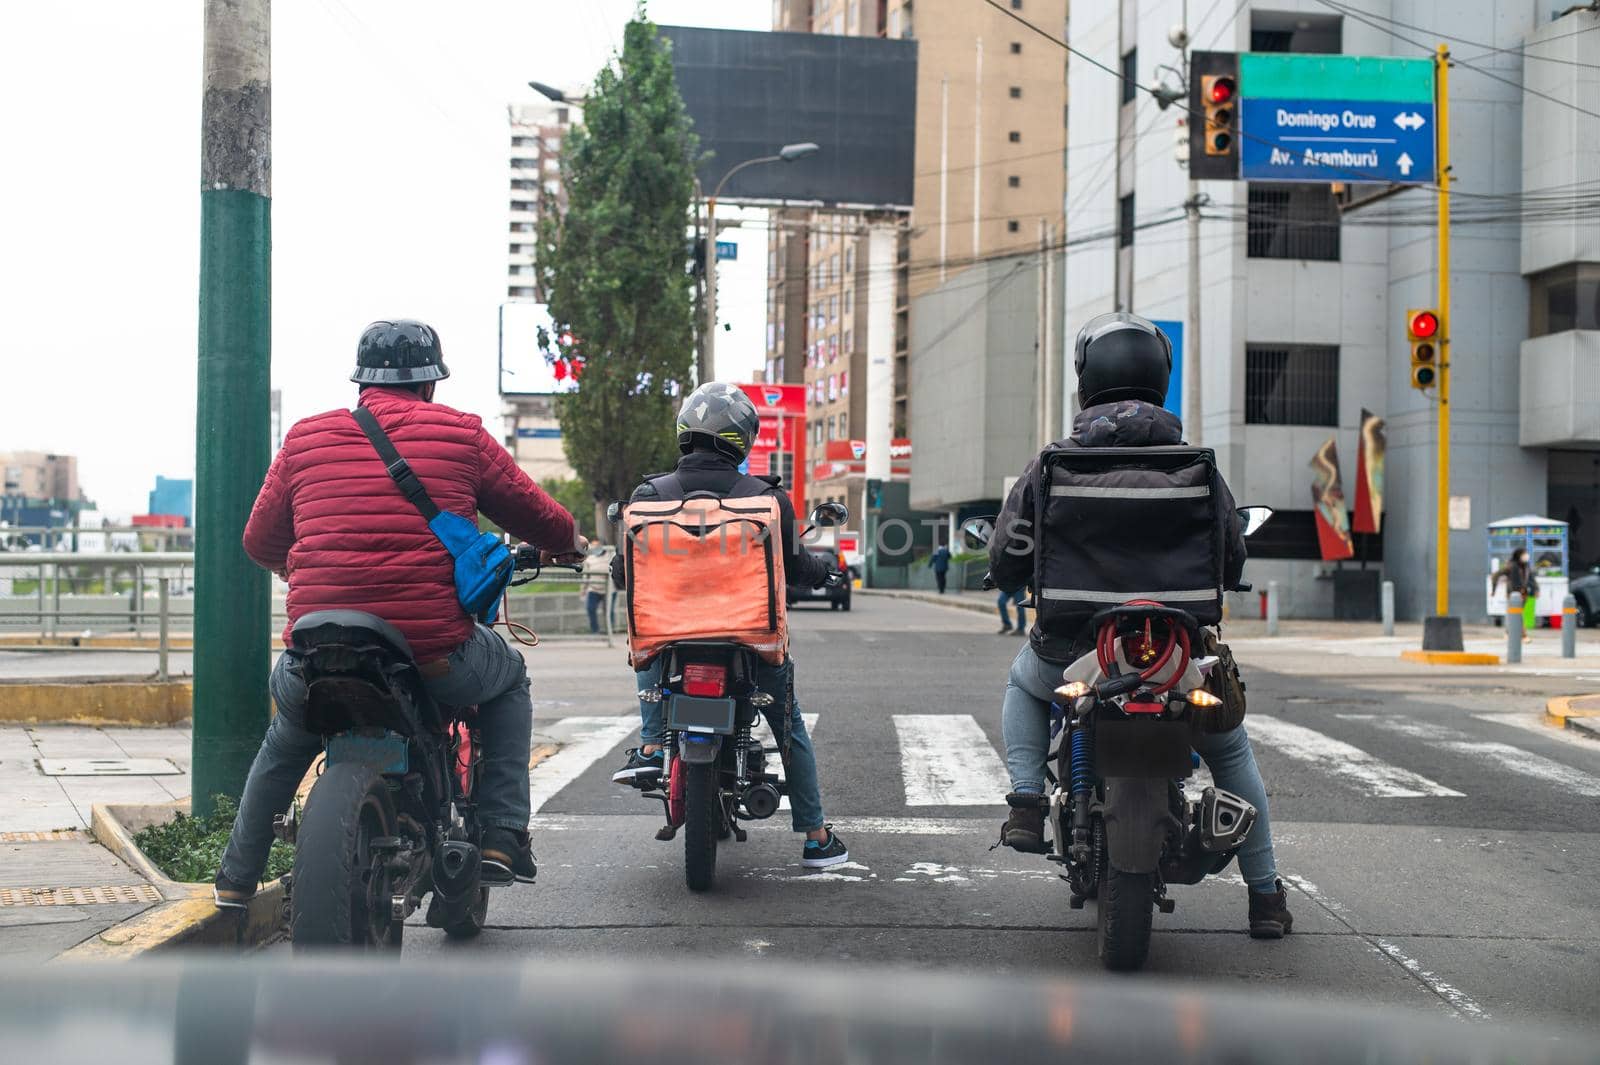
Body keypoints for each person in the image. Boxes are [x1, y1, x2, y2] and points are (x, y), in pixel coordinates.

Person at [214, 320, 585, 909]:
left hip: (319, 649)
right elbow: (540, 517)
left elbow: (259, 540)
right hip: (432, 652)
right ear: (430, 385)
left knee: (288, 737)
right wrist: (570, 541)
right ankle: (501, 837)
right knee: (508, 680)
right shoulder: (462, 436)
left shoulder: (306, 439)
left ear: (362, 382)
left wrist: (313, 567)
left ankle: (236, 880)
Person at [987, 311, 1293, 939]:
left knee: (1025, 684)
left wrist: (1011, 575)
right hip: (1174, 653)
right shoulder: (1199, 467)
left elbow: (1010, 550)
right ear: (1160, 380)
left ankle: (1024, 798)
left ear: (1085, 381)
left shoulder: (1050, 466)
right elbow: (1231, 553)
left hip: (1074, 650)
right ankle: (1265, 898)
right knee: (1230, 752)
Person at [608, 382, 849, 869]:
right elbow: (798, 570)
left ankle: (654, 746)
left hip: (670, 638)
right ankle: (815, 837)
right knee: (789, 726)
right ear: (742, 437)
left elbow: (623, 571)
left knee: (649, 649)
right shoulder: (766, 498)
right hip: (749, 641)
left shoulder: (648, 495)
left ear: (684, 431)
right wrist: (826, 571)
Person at [1494, 547, 1539, 641]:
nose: (1526, 556)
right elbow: (1496, 575)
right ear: (1519, 555)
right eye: (1524, 554)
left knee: (1516, 614)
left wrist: (1536, 589)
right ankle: (1523, 635)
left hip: (1523, 594)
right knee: (1516, 614)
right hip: (1512, 595)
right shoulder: (1511, 565)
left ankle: (1508, 633)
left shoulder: (1526, 566)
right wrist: (1493, 590)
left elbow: (1531, 578)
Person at [580, 542, 611, 634]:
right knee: (591, 608)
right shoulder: (590, 559)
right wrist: (583, 589)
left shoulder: (609, 557)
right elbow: (586, 576)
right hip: (593, 588)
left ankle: (609, 631)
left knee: (608, 611)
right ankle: (595, 630)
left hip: (607, 589)